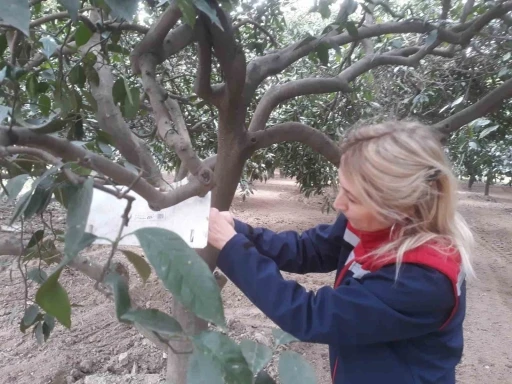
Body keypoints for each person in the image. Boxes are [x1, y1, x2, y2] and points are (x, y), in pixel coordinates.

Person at [207, 121, 474, 384]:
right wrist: (240, 232)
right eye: (341, 188)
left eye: (353, 197)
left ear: (401, 207)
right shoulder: (371, 223)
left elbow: (311, 316)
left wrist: (234, 251)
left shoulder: (421, 281)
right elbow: (308, 249)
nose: (338, 203)